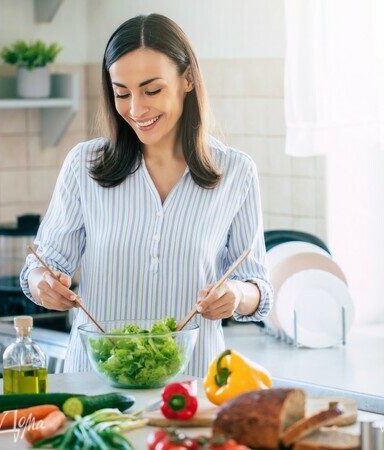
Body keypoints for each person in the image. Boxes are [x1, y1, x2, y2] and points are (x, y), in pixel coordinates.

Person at [20, 13, 272, 378]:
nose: (136, 110)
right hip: (96, 388)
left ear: (187, 79)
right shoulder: (84, 165)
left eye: (152, 90)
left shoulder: (236, 173)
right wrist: (43, 284)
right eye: (122, 93)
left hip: (191, 390)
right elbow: (39, 267)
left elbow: (259, 288)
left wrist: (237, 295)